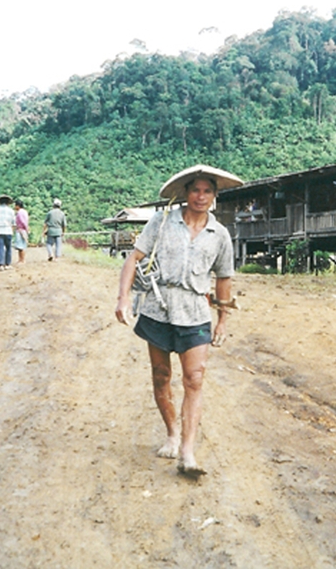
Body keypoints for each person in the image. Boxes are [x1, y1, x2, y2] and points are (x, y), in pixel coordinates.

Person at [115, 165, 242, 478]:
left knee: (194, 379)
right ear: (185, 192)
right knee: (161, 376)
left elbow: (224, 279)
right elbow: (134, 259)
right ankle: (172, 432)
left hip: (196, 311)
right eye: (195, 190)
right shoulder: (161, 222)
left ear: (215, 196)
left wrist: (222, 320)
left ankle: (188, 451)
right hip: (158, 308)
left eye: (207, 191)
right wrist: (122, 298)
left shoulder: (219, 234)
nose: (200, 196)